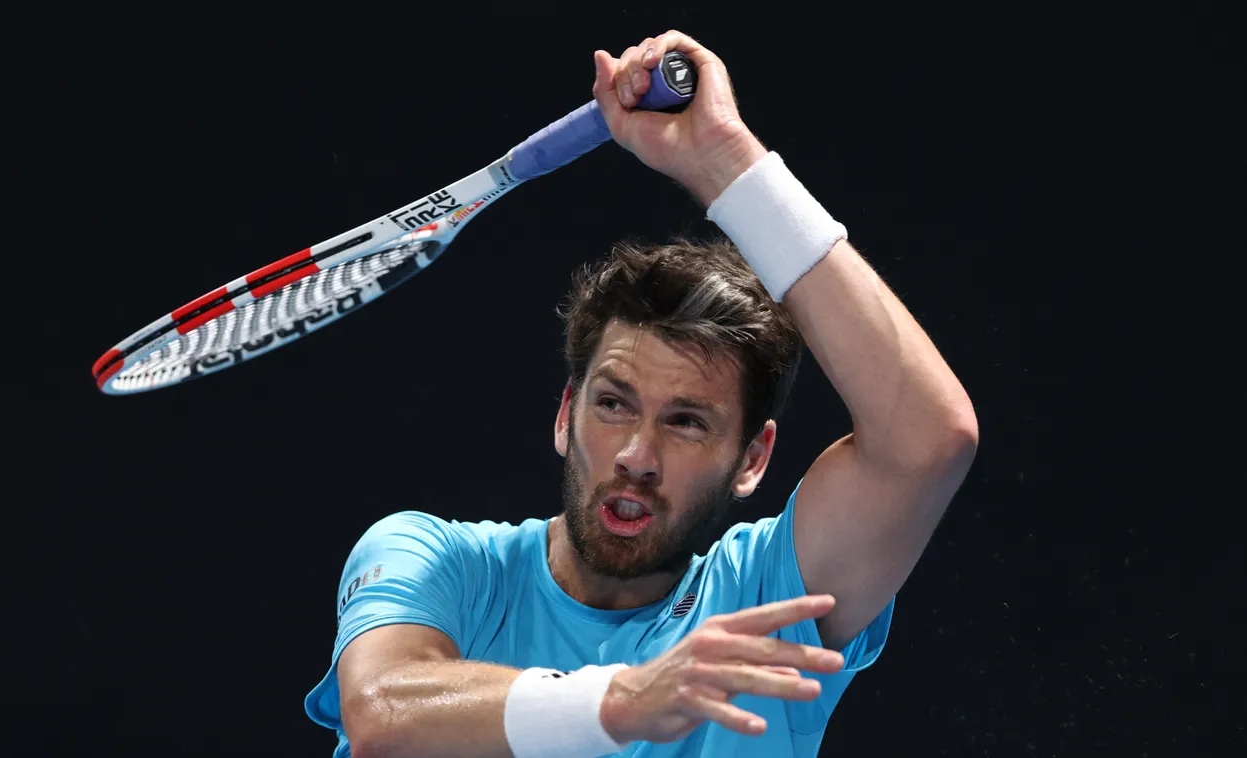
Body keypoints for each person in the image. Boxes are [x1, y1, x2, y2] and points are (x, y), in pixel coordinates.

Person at [304, 30, 978, 758]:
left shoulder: (764, 604)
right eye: (613, 403)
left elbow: (927, 441)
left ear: (752, 459)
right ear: (566, 414)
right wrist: (623, 700)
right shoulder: (440, 562)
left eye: (686, 422)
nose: (636, 455)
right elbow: (379, 713)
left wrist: (725, 161)